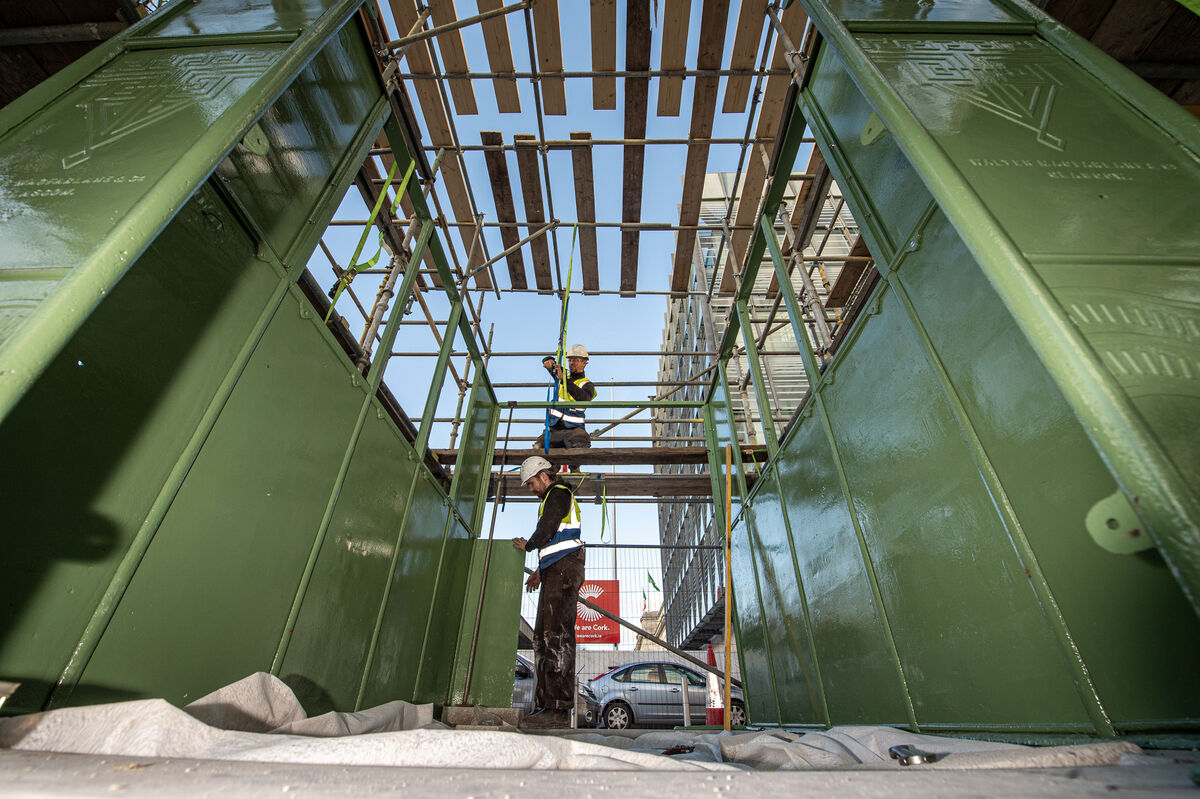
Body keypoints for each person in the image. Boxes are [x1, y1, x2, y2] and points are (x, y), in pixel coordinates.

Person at [512, 455, 586, 730]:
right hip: (557, 570)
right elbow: (558, 541)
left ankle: (557, 709)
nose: (531, 489)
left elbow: (548, 528)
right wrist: (540, 572)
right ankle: (546, 706)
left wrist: (528, 545)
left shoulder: (558, 494)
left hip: (565, 570)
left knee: (557, 636)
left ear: (544, 475)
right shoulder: (551, 499)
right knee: (543, 638)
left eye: (531, 483)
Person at [534, 344, 596, 468]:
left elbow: (584, 398)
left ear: (584, 363)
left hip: (574, 430)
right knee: (539, 447)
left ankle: (575, 471)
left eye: (576, 360)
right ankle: (550, 473)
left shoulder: (587, 384)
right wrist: (548, 360)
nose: (572, 363)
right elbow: (550, 365)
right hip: (554, 428)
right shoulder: (563, 375)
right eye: (570, 360)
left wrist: (564, 380)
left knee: (580, 444)